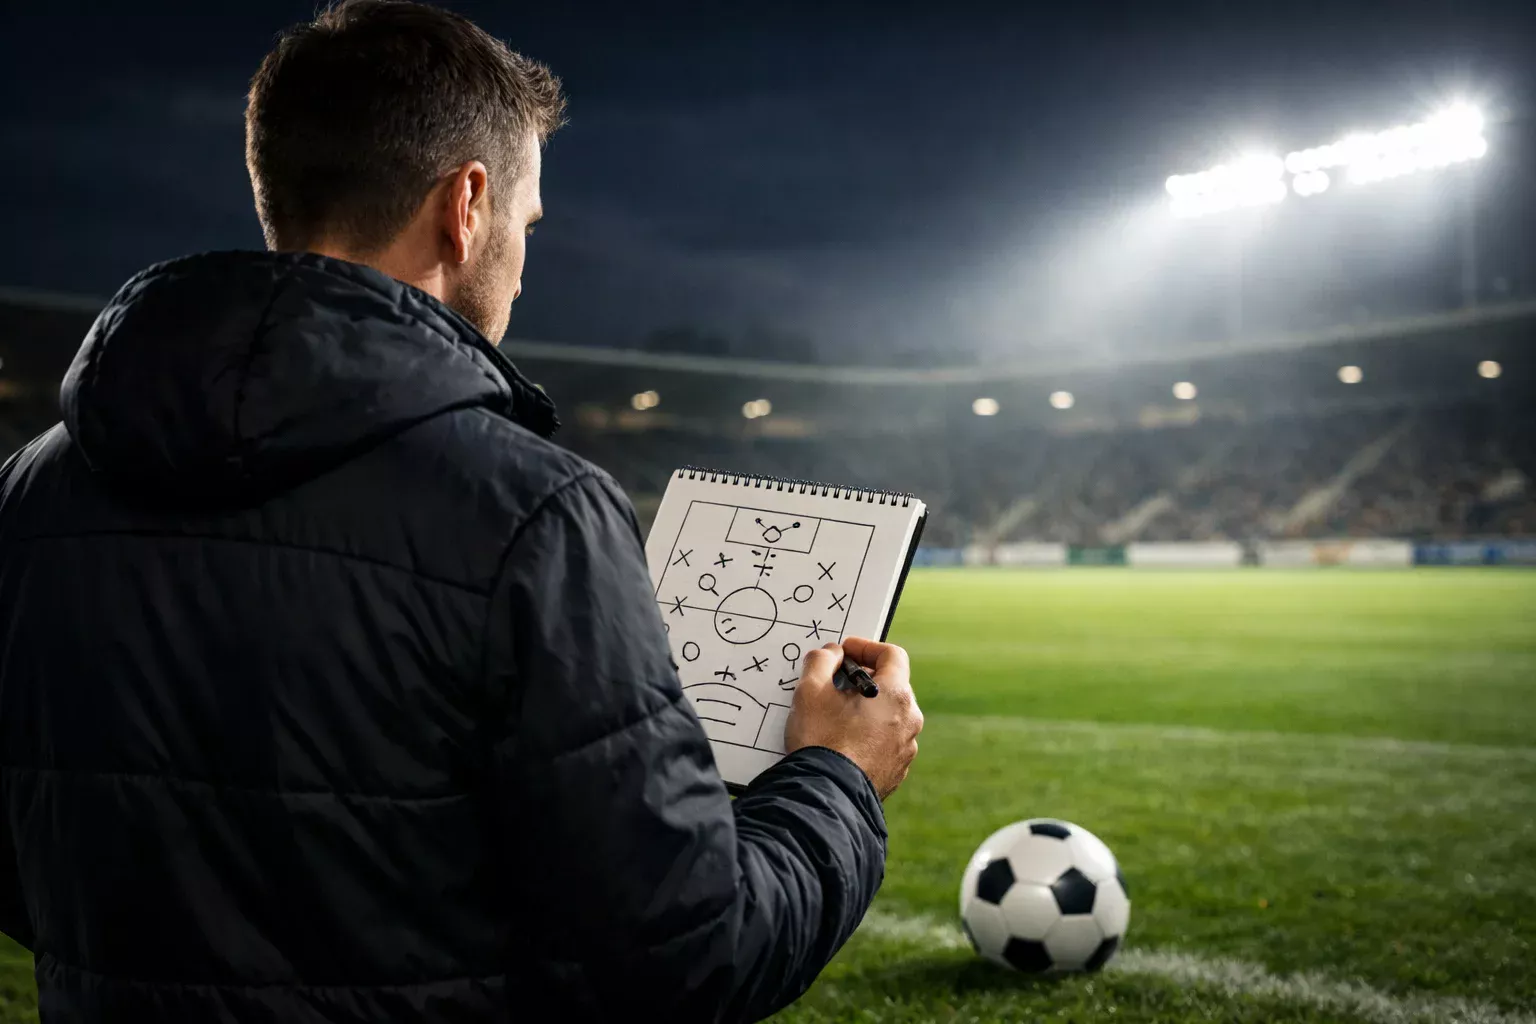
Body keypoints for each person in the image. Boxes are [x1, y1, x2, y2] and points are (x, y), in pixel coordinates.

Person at [0, 2, 923, 1020]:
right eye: (527, 225)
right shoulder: (532, 511)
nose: (522, 264)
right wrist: (837, 775)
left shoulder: (33, 488)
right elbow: (690, 956)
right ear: (466, 204)